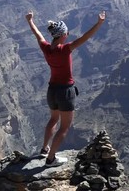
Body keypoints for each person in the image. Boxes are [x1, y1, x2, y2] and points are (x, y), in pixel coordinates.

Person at [25, 10, 106, 167]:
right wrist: (99, 23)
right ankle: (50, 159)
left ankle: (44, 149)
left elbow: (37, 35)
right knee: (64, 127)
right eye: (67, 32)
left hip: (51, 90)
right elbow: (85, 37)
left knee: (53, 119)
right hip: (65, 92)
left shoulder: (46, 48)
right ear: (62, 35)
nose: (68, 34)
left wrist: (30, 21)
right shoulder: (65, 49)